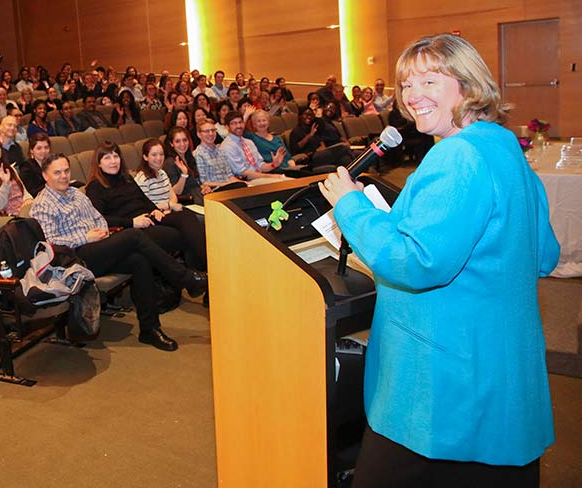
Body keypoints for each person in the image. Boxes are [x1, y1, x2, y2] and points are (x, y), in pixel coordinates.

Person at [319, 34, 559, 487]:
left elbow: (416, 262)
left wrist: (351, 207)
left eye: (430, 80)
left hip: (442, 382)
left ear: (467, 86)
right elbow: (544, 254)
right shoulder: (504, 146)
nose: (413, 96)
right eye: (407, 84)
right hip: (500, 371)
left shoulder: (456, 156)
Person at [31, 154, 207, 351]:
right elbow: (48, 243)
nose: (63, 176)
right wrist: (85, 237)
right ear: (45, 176)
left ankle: (149, 329)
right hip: (73, 258)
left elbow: (99, 218)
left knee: (139, 260)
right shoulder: (42, 204)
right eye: (57, 172)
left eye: (66, 171)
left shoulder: (76, 193)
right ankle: (186, 278)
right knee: (133, 236)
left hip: (98, 246)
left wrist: (102, 231)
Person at [87, 141, 207, 272]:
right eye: (107, 158)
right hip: (131, 229)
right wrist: (132, 222)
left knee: (186, 216)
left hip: (149, 218)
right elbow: (100, 219)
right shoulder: (95, 187)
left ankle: (206, 268)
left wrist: (154, 209)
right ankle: (201, 274)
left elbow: (144, 199)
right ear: (98, 163)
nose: (113, 161)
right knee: (178, 234)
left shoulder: (126, 178)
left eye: (116, 156)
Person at [219, 111, 284, 181]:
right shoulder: (227, 146)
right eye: (234, 123)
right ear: (227, 126)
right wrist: (270, 176)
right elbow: (242, 173)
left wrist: (274, 164)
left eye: (240, 122)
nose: (238, 126)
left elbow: (260, 165)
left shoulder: (249, 142)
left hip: (260, 177)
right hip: (246, 182)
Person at [192, 119, 247, 192]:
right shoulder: (198, 154)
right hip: (214, 191)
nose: (211, 134)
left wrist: (244, 183)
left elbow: (230, 176)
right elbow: (203, 182)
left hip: (229, 187)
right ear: (199, 134)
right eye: (207, 131)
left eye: (213, 130)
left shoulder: (221, 151)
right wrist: (226, 184)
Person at [163, 126, 206, 205]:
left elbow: (195, 182)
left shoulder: (189, 157)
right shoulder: (170, 163)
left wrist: (204, 187)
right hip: (187, 201)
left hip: (199, 196)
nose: (182, 144)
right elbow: (176, 192)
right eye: (178, 141)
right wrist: (184, 174)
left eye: (185, 140)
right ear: (171, 144)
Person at [17, 132, 51, 197]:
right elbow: (33, 192)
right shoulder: (26, 167)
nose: (43, 151)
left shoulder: (53, 163)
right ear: (31, 150)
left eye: (46, 147)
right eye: (39, 148)